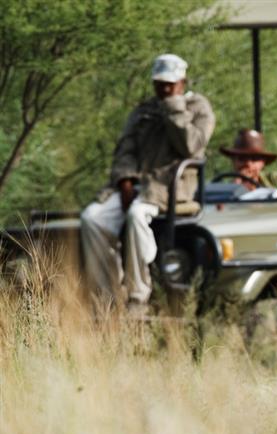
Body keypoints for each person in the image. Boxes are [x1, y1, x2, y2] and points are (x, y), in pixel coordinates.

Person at [80, 53, 215, 310]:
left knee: (136, 215)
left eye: (170, 83)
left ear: (182, 82)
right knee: (92, 218)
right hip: (137, 185)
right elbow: (125, 149)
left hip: (171, 188)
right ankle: (105, 295)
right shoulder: (143, 110)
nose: (164, 88)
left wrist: (174, 108)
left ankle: (138, 293)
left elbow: (191, 146)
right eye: (160, 82)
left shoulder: (198, 107)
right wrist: (125, 180)